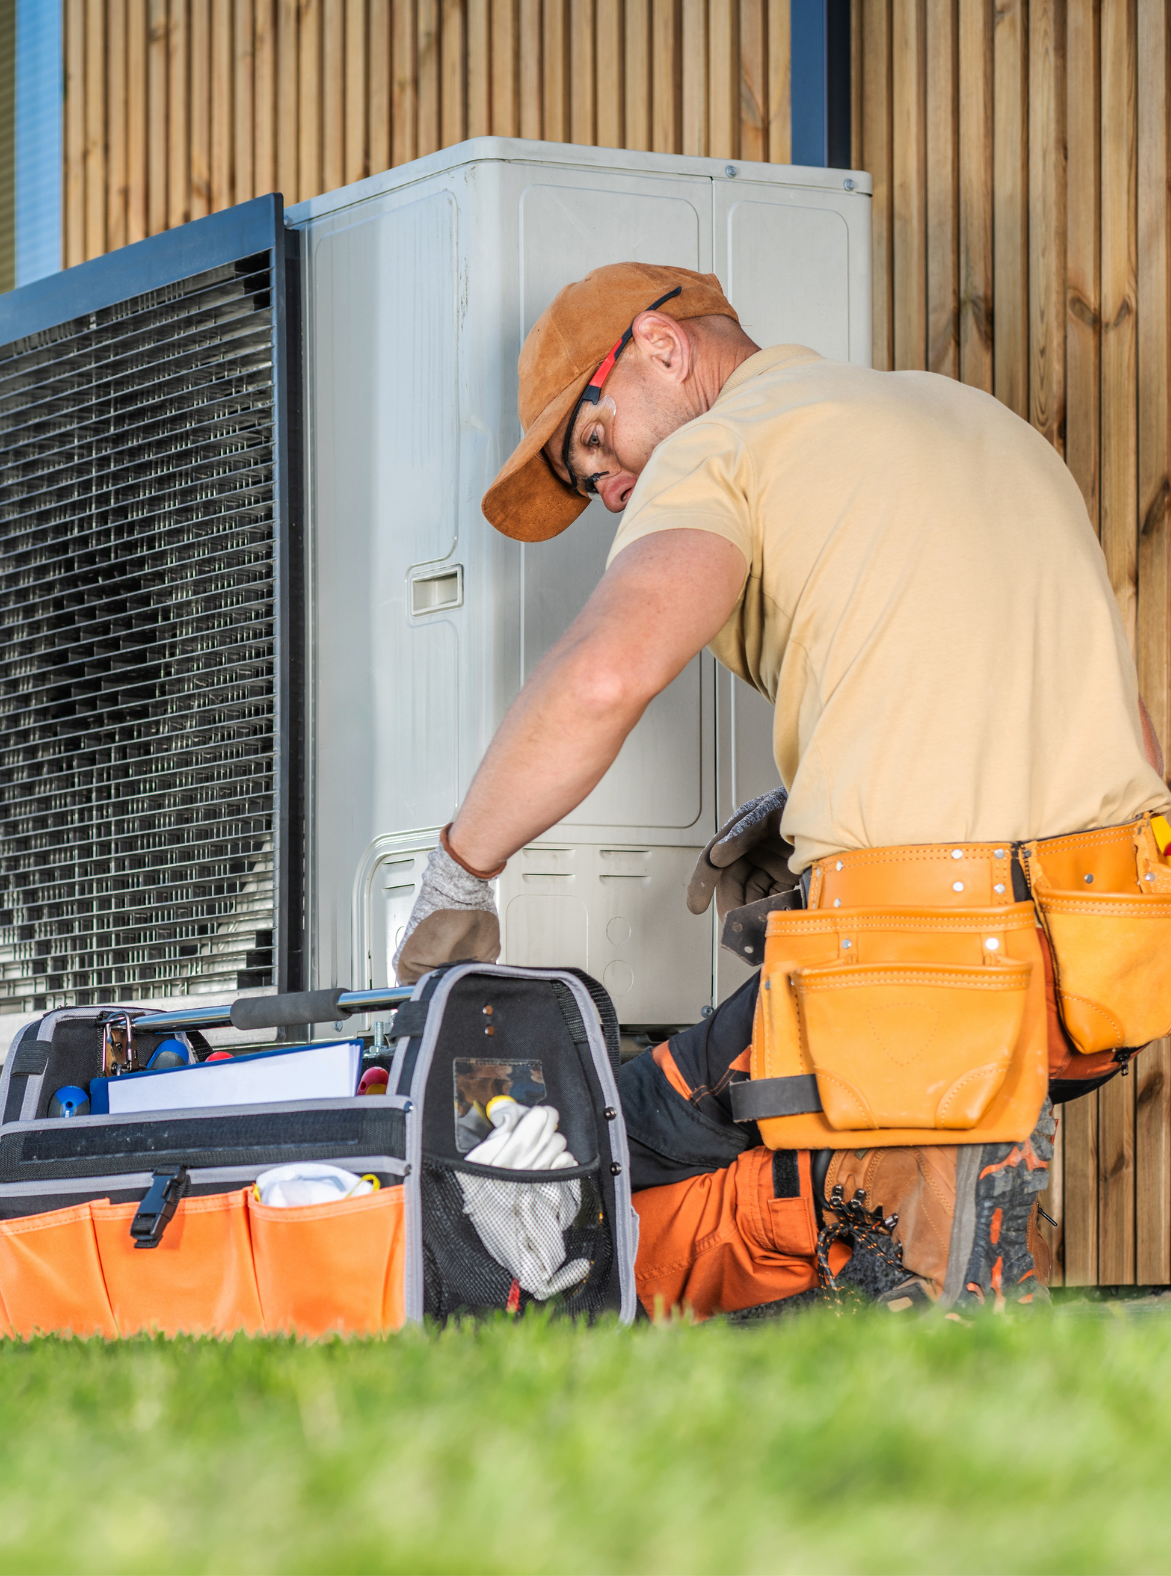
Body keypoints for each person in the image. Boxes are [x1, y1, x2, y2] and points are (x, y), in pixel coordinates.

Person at [392, 261, 1171, 1318]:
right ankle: (937, 1234)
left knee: (592, 1131)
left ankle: (881, 1285)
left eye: (594, 444)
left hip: (916, 963)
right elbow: (1121, 733)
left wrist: (457, 872)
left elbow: (604, 673)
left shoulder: (723, 444)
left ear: (659, 349)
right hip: (1097, 966)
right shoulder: (976, 419)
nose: (610, 489)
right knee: (823, 1121)